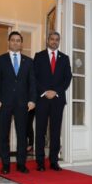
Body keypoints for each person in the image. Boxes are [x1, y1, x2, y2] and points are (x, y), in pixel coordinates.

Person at [0, 31, 36, 174]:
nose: (15, 42)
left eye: (18, 40)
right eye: (13, 40)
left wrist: (32, 99)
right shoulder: (0, 59)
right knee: (3, 134)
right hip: (4, 103)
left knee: (22, 134)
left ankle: (21, 164)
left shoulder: (28, 61)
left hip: (23, 103)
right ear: (9, 42)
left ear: (21, 44)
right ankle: (5, 164)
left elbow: (32, 83)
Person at [34, 31, 72, 172]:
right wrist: (45, 91)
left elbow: (67, 78)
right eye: (52, 39)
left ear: (59, 41)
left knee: (55, 131)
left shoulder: (65, 58)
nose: (54, 41)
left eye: (57, 39)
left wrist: (55, 91)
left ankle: (54, 161)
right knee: (40, 130)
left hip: (57, 99)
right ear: (47, 40)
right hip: (42, 99)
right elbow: (34, 77)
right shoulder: (39, 56)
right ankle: (40, 162)